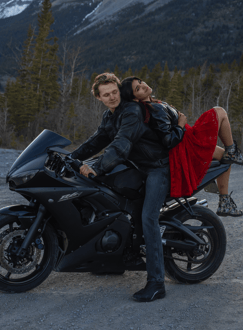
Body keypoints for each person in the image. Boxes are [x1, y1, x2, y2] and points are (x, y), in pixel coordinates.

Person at [71, 72, 176, 302]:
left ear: (120, 90)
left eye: (114, 92)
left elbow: (122, 143)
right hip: (138, 167)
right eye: (105, 94)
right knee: (110, 197)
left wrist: (97, 166)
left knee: (149, 217)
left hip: (158, 168)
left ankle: (157, 283)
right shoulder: (110, 116)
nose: (111, 97)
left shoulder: (131, 111)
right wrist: (71, 158)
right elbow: (97, 140)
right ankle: (119, 257)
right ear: (98, 97)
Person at [120, 76, 243, 217]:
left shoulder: (153, 104)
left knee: (225, 157)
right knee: (220, 112)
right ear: (134, 98)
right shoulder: (154, 109)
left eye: (140, 82)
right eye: (138, 88)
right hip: (187, 143)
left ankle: (225, 202)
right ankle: (232, 152)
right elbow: (168, 140)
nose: (143, 85)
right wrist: (181, 124)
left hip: (186, 139)